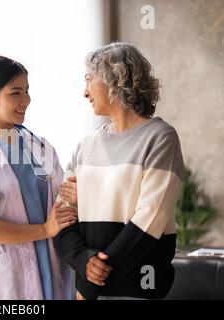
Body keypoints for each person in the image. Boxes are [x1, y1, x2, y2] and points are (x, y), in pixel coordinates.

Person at [56, 42, 185, 300]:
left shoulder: (160, 138)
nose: (85, 92)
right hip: (89, 291)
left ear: (116, 78)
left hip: (139, 291)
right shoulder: (85, 145)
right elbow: (63, 216)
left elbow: (149, 220)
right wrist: (83, 260)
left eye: (89, 80)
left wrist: (90, 285)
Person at [0, 55, 76, 299]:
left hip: (51, 264)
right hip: (6, 279)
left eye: (27, 91)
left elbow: (64, 200)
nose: (26, 100)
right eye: (15, 93)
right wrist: (44, 230)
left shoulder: (40, 147)